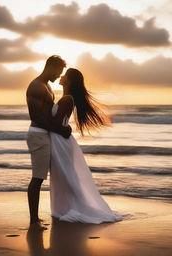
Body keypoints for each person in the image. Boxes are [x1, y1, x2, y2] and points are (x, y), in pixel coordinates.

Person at [49, 68, 123, 224]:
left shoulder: (67, 99)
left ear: (68, 81)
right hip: (60, 139)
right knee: (63, 175)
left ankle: (77, 207)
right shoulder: (66, 98)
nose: (61, 77)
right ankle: (66, 207)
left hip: (60, 140)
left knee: (67, 176)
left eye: (64, 75)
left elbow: (56, 123)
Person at [26, 55, 71, 229]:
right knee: (37, 178)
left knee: (40, 177)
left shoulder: (46, 86)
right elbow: (36, 116)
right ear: (51, 67)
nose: (59, 75)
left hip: (44, 134)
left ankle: (35, 219)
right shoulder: (37, 86)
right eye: (59, 71)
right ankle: (33, 221)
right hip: (38, 134)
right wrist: (60, 129)